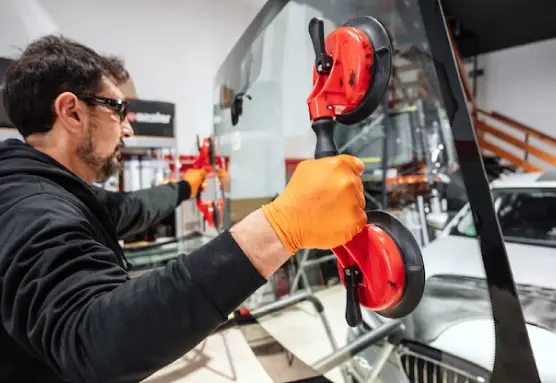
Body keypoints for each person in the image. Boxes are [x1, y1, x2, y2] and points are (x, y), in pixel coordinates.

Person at [0, 35, 367, 383]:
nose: (127, 128)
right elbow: (90, 338)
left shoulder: (48, 187)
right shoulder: (32, 206)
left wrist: (188, 185)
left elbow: (130, 208)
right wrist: (283, 226)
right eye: (118, 109)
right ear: (72, 113)